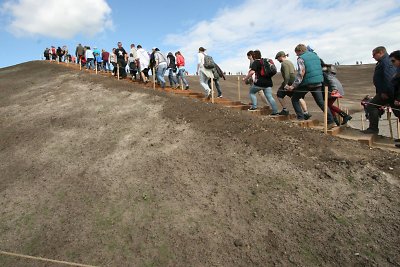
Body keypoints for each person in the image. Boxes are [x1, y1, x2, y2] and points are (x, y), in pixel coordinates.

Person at [285, 44, 335, 129]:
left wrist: (293, 86)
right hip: (318, 82)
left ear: (300, 50)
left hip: (307, 83)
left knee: (295, 98)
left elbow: (301, 73)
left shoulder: (301, 58)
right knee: (321, 102)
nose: (296, 55)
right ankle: (331, 121)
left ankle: (300, 118)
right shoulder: (315, 56)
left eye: (297, 53)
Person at [362, 46, 396, 134]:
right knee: (397, 112)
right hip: (387, 92)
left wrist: (385, 92)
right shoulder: (383, 61)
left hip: (388, 93)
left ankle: (373, 129)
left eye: (374, 55)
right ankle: (373, 129)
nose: (373, 57)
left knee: (371, 106)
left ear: (381, 52)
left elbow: (389, 78)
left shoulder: (386, 62)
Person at [275, 51, 310, 118]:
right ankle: (306, 112)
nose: (277, 60)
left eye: (277, 58)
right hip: (295, 81)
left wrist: (285, 84)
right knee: (298, 96)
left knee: (279, 94)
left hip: (289, 82)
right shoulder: (290, 62)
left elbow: (287, 75)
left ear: (280, 57)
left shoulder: (284, 63)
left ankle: (285, 110)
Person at [242, 50, 278, 114]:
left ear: (254, 55)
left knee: (251, 92)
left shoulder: (256, 62)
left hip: (260, 82)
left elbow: (252, 72)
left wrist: (245, 78)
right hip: (268, 82)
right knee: (269, 97)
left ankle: (254, 106)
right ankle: (275, 111)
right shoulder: (264, 61)